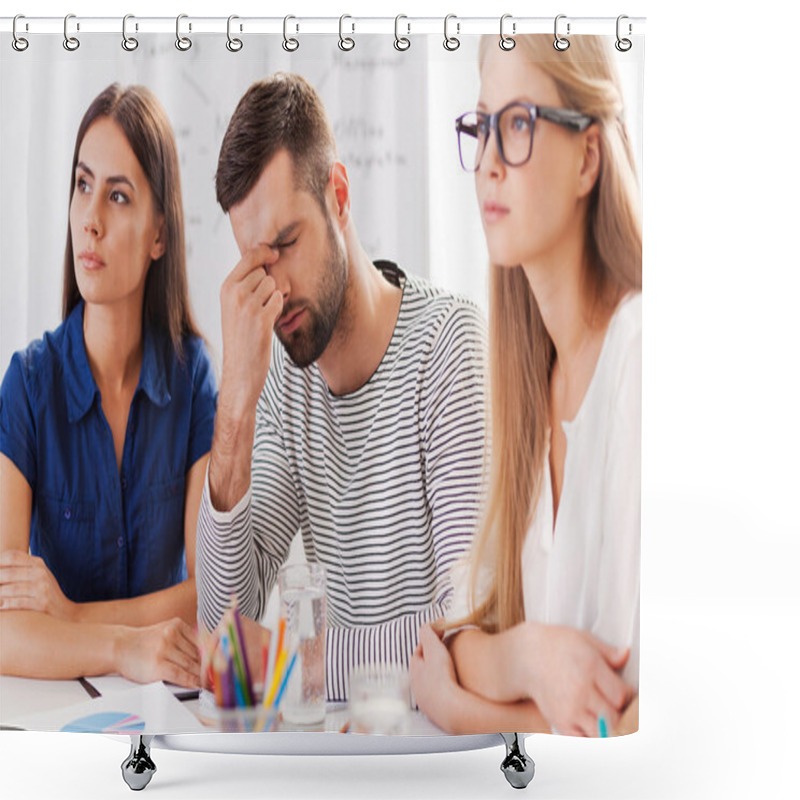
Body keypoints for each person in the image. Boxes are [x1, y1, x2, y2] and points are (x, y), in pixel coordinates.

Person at [196, 73, 487, 701]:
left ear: (340, 195)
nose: (274, 291)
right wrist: (236, 406)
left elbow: (468, 633)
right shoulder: (283, 393)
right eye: (254, 261)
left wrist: (296, 663)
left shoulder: (449, 348)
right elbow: (224, 644)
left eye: (287, 244)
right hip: (345, 753)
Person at [410, 34, 642, 737]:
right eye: (482, 126)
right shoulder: (525, 386)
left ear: (588, 159)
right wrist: (530, 659)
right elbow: (461, 636)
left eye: (517, 125)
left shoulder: (640, 361)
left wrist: (464, 711)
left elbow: (630, 732)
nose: (486, 164)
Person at [0, 84, 216, 687]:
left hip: (165, 709)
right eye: (82, 185)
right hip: (53, 715)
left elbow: (207, 597)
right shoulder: (28, 385)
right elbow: (2, 628)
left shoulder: (193, 377)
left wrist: (69, 617)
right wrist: (125, 647)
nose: (90, 220)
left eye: (118, 196)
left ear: (159, 236)